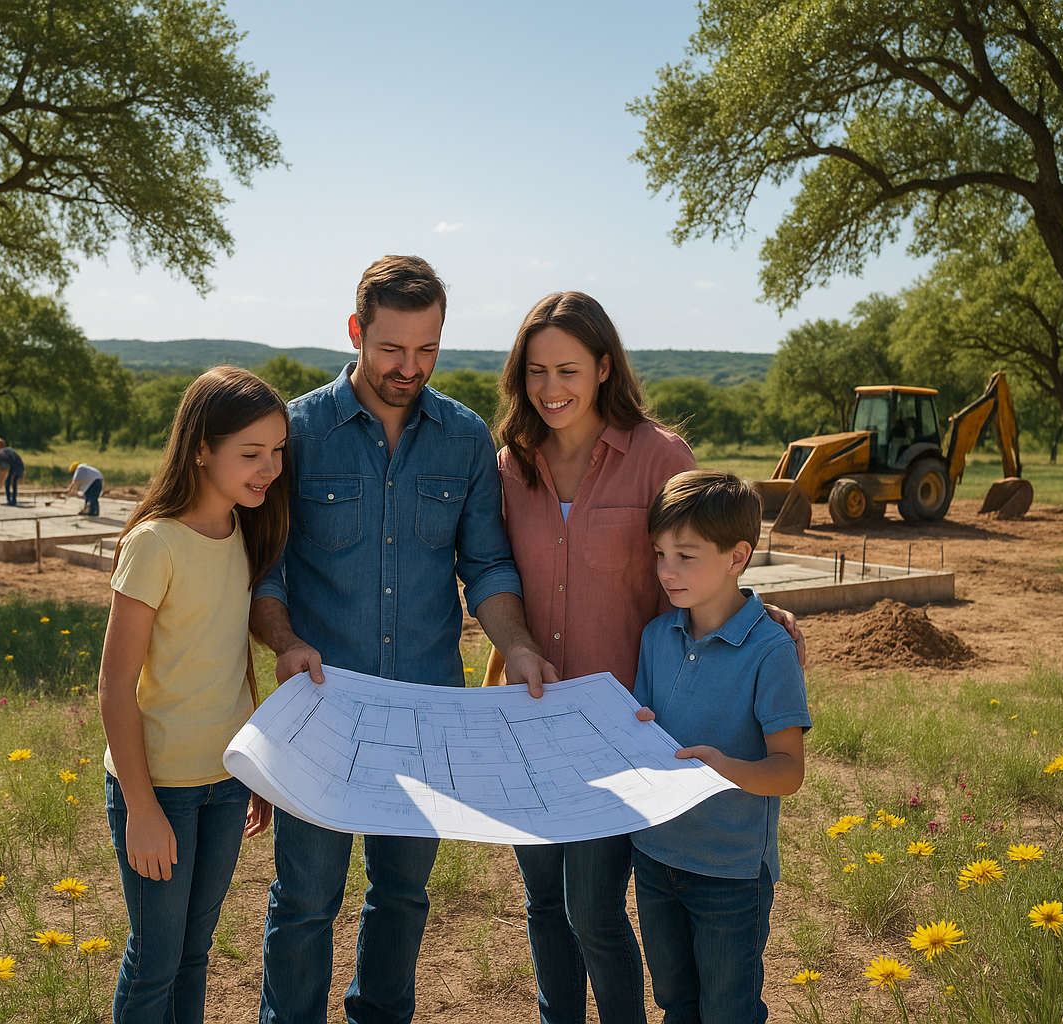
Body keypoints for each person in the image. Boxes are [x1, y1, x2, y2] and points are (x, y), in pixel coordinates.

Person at [249, 255, 558, 1024]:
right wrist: (283, 641)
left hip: (427, 713)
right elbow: (264, 573)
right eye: (392, 348)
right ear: (356, 332)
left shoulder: (462, 438)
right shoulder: (296, 431)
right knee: (306, 900)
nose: (409, 367)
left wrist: (515, 644)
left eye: (427, 350)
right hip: (319, 711)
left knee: (403, 894)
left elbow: (485, 565)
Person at [485, 291, 696, 1024]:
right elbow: (492, 574)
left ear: (605, 367)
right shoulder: (510, 464)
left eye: (569, 369)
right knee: (543, 903)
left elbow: (696, 577)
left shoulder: (660, 458)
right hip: (529, 720)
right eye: (536, 371)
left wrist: (758, 611)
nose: (551, 389)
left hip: (620, 723)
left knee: (594, 910)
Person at [98, 366, 288, 1023]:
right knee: (154, 961)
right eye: (252, 453)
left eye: (278, 452)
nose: (269, 468)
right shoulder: (155, 544)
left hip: (226, 781)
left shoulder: (245, 533)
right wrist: (143, 808)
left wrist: (254, 767)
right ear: (202, 448)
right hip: (160, 790)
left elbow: (232, 664)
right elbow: (115, 684)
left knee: (195, 952)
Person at [631, 470, 810, 1024]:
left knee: (728, 1010)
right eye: (660, 554)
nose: (666, 571)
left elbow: (788, 772)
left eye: (686, 556)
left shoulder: (770, 650)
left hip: (730, 871)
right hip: (655, 858)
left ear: (737, 558)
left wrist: (726, 769)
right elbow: (643, 729)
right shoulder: (656, 637)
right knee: (675, 1003)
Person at [0, 438, 26, 505]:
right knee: (13, 482)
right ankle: (13, 500)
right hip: (19, 466)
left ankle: (10, 500)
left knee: (8, 483)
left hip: (15, 466)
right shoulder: (7, 451)